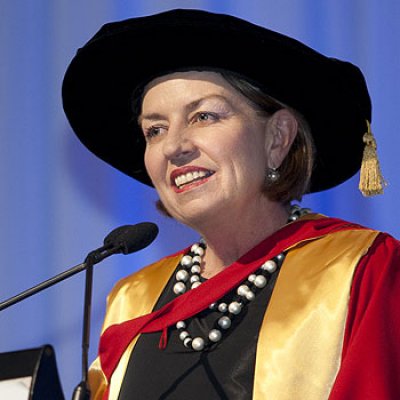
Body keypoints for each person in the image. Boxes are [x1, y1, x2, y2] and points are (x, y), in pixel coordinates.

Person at [62, 9, 400, 400]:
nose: (173, 146)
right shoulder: (133, 298)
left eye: (203, 116)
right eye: (154, 130)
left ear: (277, 138)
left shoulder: (359, 269)